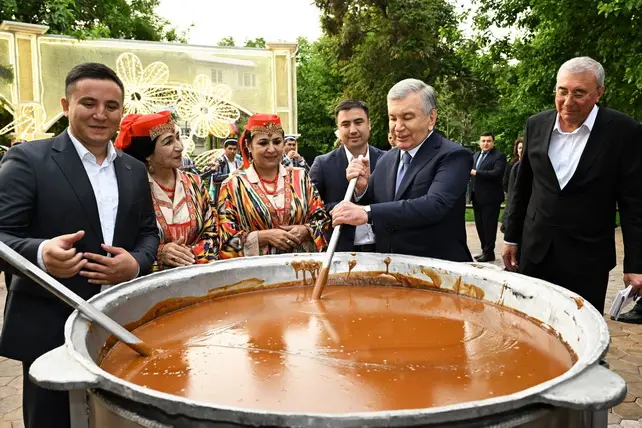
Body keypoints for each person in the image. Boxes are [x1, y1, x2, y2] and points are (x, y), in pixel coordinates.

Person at [0, 63, 159, 428]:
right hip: (50, 326)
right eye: (88, 103)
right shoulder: (28, 160)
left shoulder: (134, 169)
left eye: (111, 106)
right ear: (66, 105)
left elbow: (149, 233)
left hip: (118, 323)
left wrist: (135, 263)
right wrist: (41, 255)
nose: (100, 114)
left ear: (121, 111)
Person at [502, 56, 642, 315]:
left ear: (599, 93)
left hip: (587, 258)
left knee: (581, 331)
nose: (568, 102)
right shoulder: (536, 124)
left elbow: (634, 204)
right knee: (530, 326)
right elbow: (522, 188)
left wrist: (636, 265)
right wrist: (511, 238)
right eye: (562, 91)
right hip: (535, 251)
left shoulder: (624, 131)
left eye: (579, 93)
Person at [331, 78, 473, 261]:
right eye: (393, 118)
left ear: (431, 118)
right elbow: (378, 203)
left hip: (437, 269)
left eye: (407, 117)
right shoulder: (386, 159)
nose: (398, 127)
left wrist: (367, 212)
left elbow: (434, 205)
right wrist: (362, 188)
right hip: (390, 267)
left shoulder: (453, 156)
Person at [115, 111, 218, 270]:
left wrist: (189, 255)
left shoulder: (195, 184)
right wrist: (158, 254)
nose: (180, 147)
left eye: (178, 137)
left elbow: (213, 233)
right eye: (168, 142)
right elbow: (124, 245)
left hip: (199, 274)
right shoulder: (131, 190)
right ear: (148, 154)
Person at [218, 114, 329, 258]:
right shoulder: (233, 185)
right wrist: (262, 237)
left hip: (302, 266)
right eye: (263, 143)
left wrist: (306, 230)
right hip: (255, 269)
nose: (271, 149)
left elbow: (322, 219)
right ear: (249, 146)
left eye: (277, 142)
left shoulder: (300, 177)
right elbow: (225, 239)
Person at [310, 100, 385, 252]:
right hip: (340, 251)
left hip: (383, 250)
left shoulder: (387, 160)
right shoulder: (323, 164)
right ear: (338, 129)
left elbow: (396, 203)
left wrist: (364, 194)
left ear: (369, 124)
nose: (353, 130)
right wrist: (342, 209)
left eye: (358, 122)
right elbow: (312, 210)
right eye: (345, 125)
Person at [470, 132, 507, 262]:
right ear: (479, 142)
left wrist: (476, 172)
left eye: (488, 141)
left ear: (493, 142)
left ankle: (489, 252)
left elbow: (497, 173)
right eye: (483, 141)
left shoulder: (499, 156)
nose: (486, 143)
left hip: (491, 198)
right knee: (480, 225)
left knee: (489, 226)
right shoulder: (475, 155)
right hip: (476, 196)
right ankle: (484, 250)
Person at [500, 136, 524, 235]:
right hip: (512, 200)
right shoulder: (511, 165)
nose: (522, 150)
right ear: (516, 150)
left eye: (524, 147)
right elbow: (505, 183)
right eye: (520, 148)